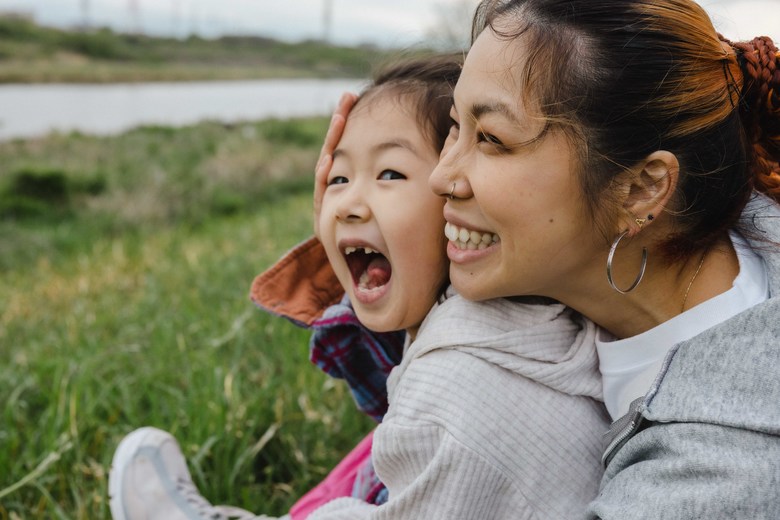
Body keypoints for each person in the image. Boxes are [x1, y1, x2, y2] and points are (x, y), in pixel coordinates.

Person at [110, 50, 611, 519]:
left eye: (390, 174)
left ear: (458, 195)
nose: (348, 203)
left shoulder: (451, 398)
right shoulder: (541, 316)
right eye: (339, 179)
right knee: (367, 455)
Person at [414, 0, 780, 518]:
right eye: (456, 125)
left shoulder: (719, 478)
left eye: (492, 139)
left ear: (640, 189)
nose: (441, 177)